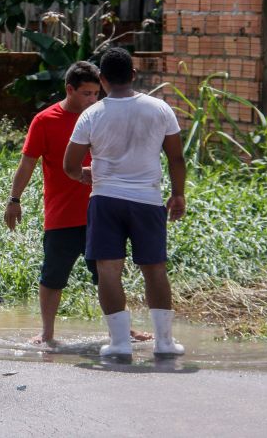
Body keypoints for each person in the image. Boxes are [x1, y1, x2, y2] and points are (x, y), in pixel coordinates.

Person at [4, 61, 150, 347]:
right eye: (86, 93)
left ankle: (121, 331)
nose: (93, 99)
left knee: (108, 274)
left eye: (97, 93)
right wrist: (14, 199)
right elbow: (27, 164)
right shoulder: (45, 120)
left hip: (102, 211)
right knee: (53, 275)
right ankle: (47, 332)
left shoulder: (104, 116)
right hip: (61, 215)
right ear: (69, 89)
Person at [63, 47, 187, 358]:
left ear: (102, 80)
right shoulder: (160, 109)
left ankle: (119, 343)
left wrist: (86, 175)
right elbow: (176, 157)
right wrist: (178, 193)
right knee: (155, 269)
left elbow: (69, 165)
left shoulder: (92, 114)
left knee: (108, 270)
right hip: (148, 199)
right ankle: (165, 343)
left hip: (105, 200)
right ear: (133, 75)